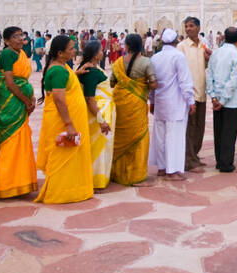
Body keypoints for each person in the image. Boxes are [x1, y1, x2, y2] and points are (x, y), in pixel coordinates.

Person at [36, 34, 95, 202]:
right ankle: (60, 193)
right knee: (62, 154)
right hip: (63, 121)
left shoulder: (61, 67)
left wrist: (75, 73)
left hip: (67, 118)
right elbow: (59, 99)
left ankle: (72, 189)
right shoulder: (58, 70)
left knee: (70, 154)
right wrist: (68, 124)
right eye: (71, 48)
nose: (74, 51)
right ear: (60, 53)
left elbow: (64, 82)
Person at [0, 27, 38, 199]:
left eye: (21, 35)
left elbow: (22, 79)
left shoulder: (21, 53)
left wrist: (30, 97)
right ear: (7, 41)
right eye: (15, 36)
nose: (20, 39)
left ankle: (19, 180)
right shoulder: (8, 54)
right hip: (10, 101)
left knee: (20, 138)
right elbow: (9, 82)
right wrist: (25, 100)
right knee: (11, 139)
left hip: (20, 99)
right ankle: (5, 183)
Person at [110, 33, 155, 185]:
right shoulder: (146, 62)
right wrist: (143, 86)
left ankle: (116, 173)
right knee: (138, 137)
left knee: (121, 135)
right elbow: (153, 83)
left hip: (120, 102)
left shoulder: (118, 62)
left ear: (127, 46)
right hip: (136, 104)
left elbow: (111, 83)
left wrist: (126, 84)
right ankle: (136, 176)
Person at [148, 28, 191, 180]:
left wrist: (152, 101)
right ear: (176, 41)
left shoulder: (155, 58)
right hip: (175, 103)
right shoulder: (178, 57)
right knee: (174, 136)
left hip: (160, 102)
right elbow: (184, 81)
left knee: (160, 137)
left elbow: (151, 83)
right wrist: (191, 101)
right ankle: (172, 171)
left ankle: (161, 168)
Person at [76, 39, 114, 191]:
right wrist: (101, 120)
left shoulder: (93, 68)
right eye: (100, 50)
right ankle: (95, 180)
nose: (102, 52)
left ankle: (99, 177)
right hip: (97, 113)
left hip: (103, 110)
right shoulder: (90, 71)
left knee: (103, 146)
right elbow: (89, 98)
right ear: (93, 53)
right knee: (98, 147)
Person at [206, 27, 237, 173]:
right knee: (229, 132)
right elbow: (233, 81)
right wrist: (223, 100)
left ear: (224, 38)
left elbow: (209, 75)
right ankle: (226, 163)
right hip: (231, 102)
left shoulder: (216, 53)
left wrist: (214, 97)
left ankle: (219, 161)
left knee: (219, 131)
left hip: (217, 101)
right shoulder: (236, 56)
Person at [179, 17, 210, 172]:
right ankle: (188, 160)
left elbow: (205, 66)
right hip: (189, 94)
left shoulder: (203, 46)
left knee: (199, 127)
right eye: (186, 26)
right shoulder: (182, 47)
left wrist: (208, 59)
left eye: (191, 26)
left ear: (198, 28)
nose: (188, 29)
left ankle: (194, 155)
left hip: (201, 91)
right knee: (189, 128)